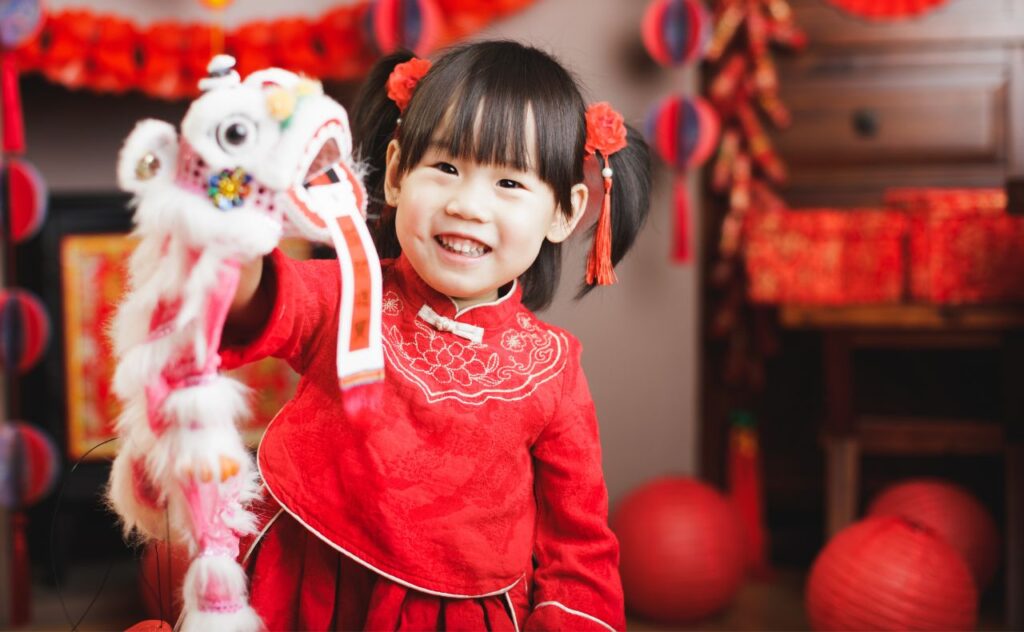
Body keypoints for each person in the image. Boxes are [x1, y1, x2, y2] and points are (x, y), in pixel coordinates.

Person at [222, 40, 651, 631]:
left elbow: (579, 549)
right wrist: (230, 217)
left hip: (453, 617)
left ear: (565, 213)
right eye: (446, 168)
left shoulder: (553, 368)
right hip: (303, 585)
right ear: (396, 172)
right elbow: (251, 300)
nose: (468, 205)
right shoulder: (351, 293)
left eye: (509, 183)